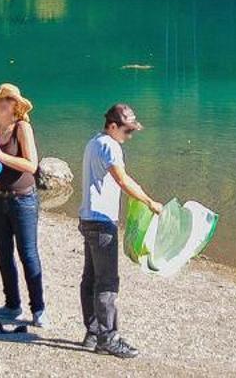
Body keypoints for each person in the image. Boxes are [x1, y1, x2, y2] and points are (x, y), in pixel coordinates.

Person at [78, 103, 161, 359]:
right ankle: (108, 337)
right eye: (127, 131)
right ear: (113, 126)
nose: (129, 137)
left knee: (90, 279)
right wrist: (149, 202)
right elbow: (123, 180)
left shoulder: (94, 142)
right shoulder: (110, 146)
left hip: (88, 218)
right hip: (102, 221)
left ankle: (92, 334)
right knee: (107, 283)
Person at [0, 82, 46, 327]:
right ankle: (12, 304)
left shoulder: (22, 128)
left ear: (16, 105)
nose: (3, 103)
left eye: (8, 100)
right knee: (3, 253)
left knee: (28, 254)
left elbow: (32, 165)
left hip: (24, 199)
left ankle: (38, 309)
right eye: (0, 100)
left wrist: (0, 156)